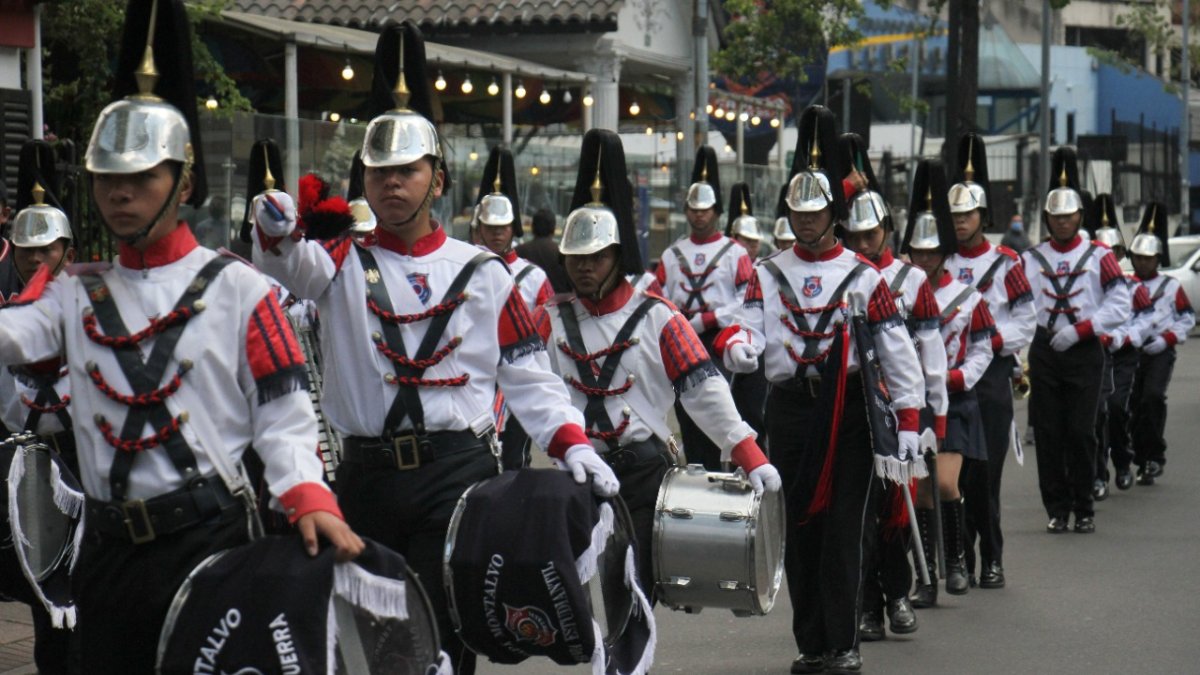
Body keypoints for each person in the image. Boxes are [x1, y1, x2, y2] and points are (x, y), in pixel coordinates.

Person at [0, 3, 363, 671]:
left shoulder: (241, 289)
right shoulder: (71, 291)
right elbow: (12, 336)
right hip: (106, 553)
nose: (121, 194)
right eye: (109, 178)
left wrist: (306, 493)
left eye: (142, 177)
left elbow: (284, 417)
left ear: (184, 181)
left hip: (210, 547)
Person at [249, 23, 617, 674]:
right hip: (366, 477)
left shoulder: (485, 271)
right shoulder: (336, 261)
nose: (392, 184)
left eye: (407, 171)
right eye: (379, 172)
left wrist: (573, 443)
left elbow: (531, 377)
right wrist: (274, 228)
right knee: (370, 645)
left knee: (445, 645)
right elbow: (288, 265)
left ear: (438, 179)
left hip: (457, 477)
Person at [719, 105, 925, 675]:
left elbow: (895, 351)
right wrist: (739, 344)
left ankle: (845, 642)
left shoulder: (866, 275)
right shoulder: (765, 271)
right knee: (797, 530)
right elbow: (745, 322)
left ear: (833, 215)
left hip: (849, 412)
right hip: (788, 411)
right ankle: (811, 643)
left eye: (814, 215)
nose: (805, 224)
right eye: (796, 214)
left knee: (842, 529)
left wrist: (909, 419)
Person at [533, 128, 780, 596]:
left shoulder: (660, 318)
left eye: (596, 257)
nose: (583, 267)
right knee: (566, 596)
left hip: (642, 473)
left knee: (629, 587)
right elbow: (520, 384)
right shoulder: (546, 319)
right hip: (575, 471)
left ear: (617, 255)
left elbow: (704, 388)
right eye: (575, 258)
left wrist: (748, 452)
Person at [841, 180, 947, 627]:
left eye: (872, 235)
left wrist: (934, 416)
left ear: (887, 229)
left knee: (898, 509)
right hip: (858, 407)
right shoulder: (843, 276)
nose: (864, 244)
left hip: (903, 406)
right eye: (856, 236)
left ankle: (897, 595)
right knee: (862, 510)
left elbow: (930, 351)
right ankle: (866, 604)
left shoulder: (914, 280)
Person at [0, 139, 77, 675]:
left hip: (74, 466)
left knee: (68, 614)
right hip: (10, 465)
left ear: (67, 253)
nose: (35, 258)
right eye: (25, 249)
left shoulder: (95, 317)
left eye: (45, 248)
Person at [944, 132, 1035, 587]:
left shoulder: (1006, 262)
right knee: (954, 475)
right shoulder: (938, 263)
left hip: (993, 375)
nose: (960, 223)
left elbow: (1028, 320)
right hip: (951, 378)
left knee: (987, 476)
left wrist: (993, 338)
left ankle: (992, 557)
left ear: (982, 216)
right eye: (954, 215)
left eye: (968, 214)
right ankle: (958, 557)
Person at [1023, 147, 1130, 534]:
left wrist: (1084, 329)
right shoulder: (1031, 258)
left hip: (1085, 352)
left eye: (1069, 216)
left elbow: (1121, 301)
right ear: (1048, 218)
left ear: (1079, 217)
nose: (1063, 222)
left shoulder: (1100, 255)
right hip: (1046, 350)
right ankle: (1056, 507)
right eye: (1056, 216)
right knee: (1049, 433)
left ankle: (1084, 505)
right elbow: (1018, 304)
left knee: (1082, 431)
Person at [904, 159, 996, 600]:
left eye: (931, 252)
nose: (923, 260)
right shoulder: (897, 292)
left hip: (955, 401)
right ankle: (927, 577)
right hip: (912, 400)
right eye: (917, 252)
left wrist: (961, 377)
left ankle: (957, 560)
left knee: (943, 483)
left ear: (944, 254)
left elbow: (984, 345)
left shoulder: (966, 296)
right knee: (921, 491)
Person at [655, 145, 753, 470]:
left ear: (716, 211)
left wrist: (709, 319)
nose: (699, 215)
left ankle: (723, 471)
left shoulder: (735, 253)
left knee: (721, 411)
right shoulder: (671, 255)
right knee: (687, 413)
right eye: (694, 209)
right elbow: (658, 297)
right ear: (686, 211)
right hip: (680, 341)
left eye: (706, 209)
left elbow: (747, 301)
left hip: (719, 343)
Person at [473, 145, 553, 470]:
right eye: (490, 228)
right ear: (479, 227)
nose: (496, 234)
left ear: (513, 228)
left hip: (518, 379)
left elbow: (543, 326)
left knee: (515, 460)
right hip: (476, 378)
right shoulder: (464, 268)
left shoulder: (534, 276)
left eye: (502, 227)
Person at [1126, 203, 1194, 485]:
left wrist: (1167, 338)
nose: (1143, 263)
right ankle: (1138, 456)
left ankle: (1155, 456)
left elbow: (1187, 318)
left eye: (1148, 258)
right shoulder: (1124, 285)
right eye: (1138, 257)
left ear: (1157, 259)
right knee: (1132, 405)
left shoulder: (1171, 286)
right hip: (1131, 351)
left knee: (1152, 398)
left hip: (1159, 352)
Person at [1089, 194, 1141, 497]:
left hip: (1121, 355)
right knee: (1096, 415)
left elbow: (1143, 320)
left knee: (1118, 410)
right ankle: (1098, 474)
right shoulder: (1085, 283)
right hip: (1094, 354)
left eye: (1114, 250)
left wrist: (1120, 337)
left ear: (1121, 253)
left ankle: (1122, 462)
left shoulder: (1132, 285)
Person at [516, 206, 571, 292]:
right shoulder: (562, 253)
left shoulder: (518, 252)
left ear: (532, 227)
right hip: (558, 302)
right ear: (553, 228)